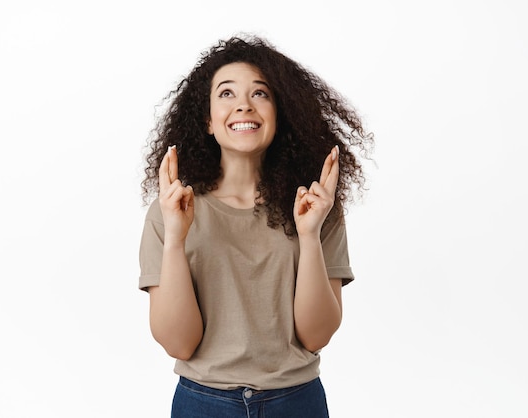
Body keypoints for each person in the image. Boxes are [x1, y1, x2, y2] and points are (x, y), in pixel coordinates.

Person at [138, 34, 373, 418]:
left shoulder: (315, 207)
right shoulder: (171, 211)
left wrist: (310, 233)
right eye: (226, 94)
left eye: (260, 94)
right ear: (207, 120)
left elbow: (317, 336)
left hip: (296, 401)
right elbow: (179, 344)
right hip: (203, 403)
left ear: (280, 115)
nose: (244, 104)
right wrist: (175, 241)